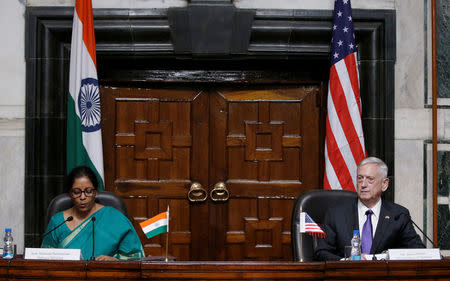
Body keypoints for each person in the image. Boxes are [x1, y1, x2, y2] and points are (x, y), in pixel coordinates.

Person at [315, 157, 425, 261]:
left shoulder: (398, 215)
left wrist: (390, 256)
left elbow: (418, 252)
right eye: (360, 178)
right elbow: (321, 253)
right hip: (347, 277)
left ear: (384, 184)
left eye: (370, 179)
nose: (363, 184)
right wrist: (346, 261)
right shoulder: (336, 214)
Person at [41, 166, 145, 261]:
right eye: (77, 192)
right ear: (70, 194)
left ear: (95, 193)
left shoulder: (114, 217)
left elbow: (135, 257)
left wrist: (115, 261)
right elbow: (44, 259)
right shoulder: (58, 221)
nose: (82, 197)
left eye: (88, 191)